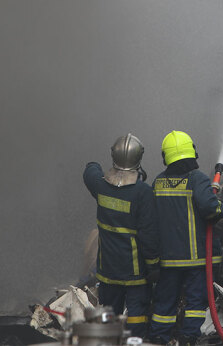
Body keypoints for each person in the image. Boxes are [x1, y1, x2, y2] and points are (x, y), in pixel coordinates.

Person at [148, 130, 223, 346]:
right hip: (196, 260)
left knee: (164, 303)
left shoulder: (158, 182)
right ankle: (189, 339)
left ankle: (158, 338)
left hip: (168, 260)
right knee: (195, 304)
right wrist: (221, 206)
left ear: (166, 156)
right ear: (192, 151)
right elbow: (211, 209)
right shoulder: (197, 178)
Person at [83, 133, 159, 338]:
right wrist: (153, 266)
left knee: (109, 317)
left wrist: (93, 163)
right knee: (136, 318)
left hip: (107, 270)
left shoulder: (100, 186)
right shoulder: (143, 193)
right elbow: (148, 235)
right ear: (138, 158)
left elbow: (90, 171)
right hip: (134, 273)